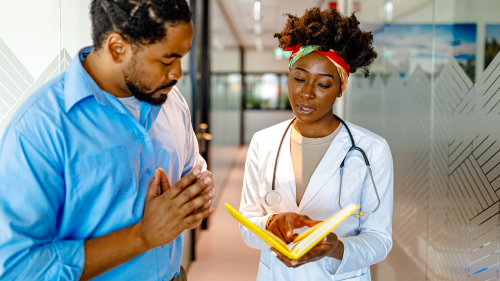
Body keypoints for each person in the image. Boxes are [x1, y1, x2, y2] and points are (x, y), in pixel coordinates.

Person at [0, 0, 216, 280]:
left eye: (181, 58)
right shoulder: (39, 129)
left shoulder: (173, 103)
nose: (177, 73)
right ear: (117, 48)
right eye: (166, 60)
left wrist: (194, 196)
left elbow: (191, 170)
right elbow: (17, 268)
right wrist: (142, 236)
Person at [239, 7, 393, 281]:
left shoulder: (372, 150)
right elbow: (247, 224)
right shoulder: (263, 142)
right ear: (288, 76)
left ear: (341, 87)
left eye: (323, 85)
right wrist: (271, 224)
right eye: (299, 79)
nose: (307, 93)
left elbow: (379, 239)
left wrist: (336, 248)